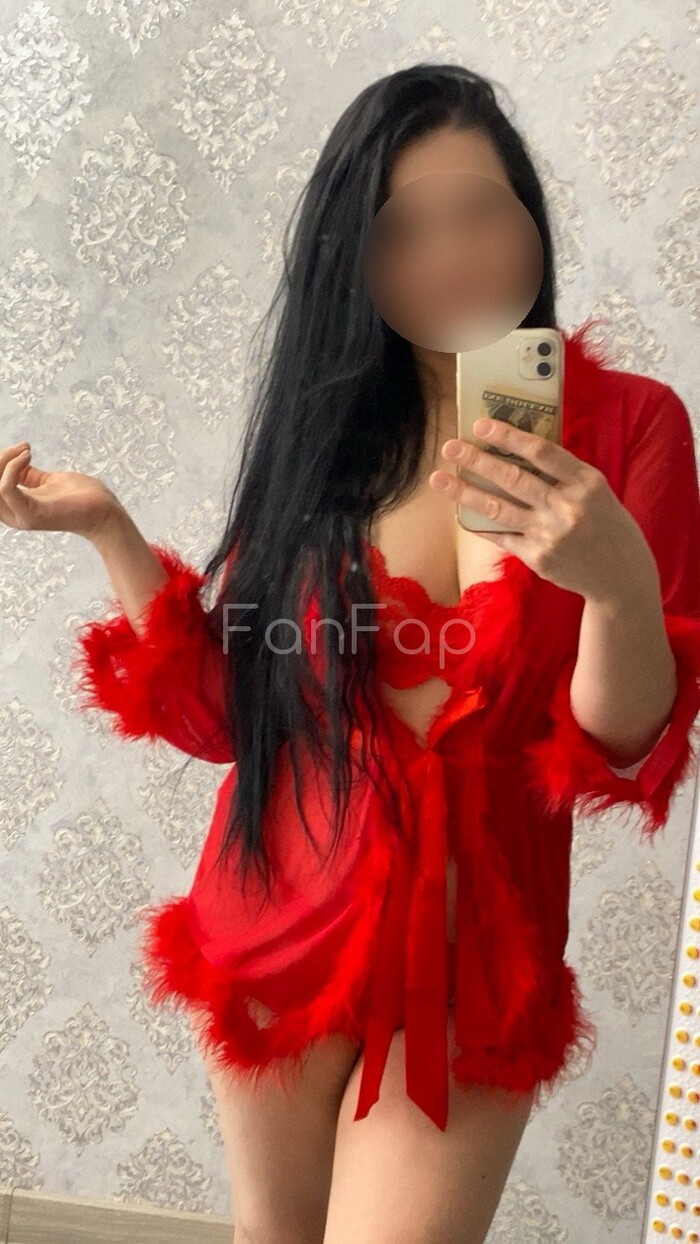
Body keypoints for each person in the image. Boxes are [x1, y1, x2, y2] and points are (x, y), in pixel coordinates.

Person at [3, 64, 700, 1244]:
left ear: (530, 216)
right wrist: (108, 528)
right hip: (281, 911)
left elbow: (621, 747)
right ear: (353, 260)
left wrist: (617, 583)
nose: (450, 255)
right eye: (402, 230)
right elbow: (227, 719)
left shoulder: (629, 427)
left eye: (480, 211)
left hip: (474, 952)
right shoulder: (328, 434)